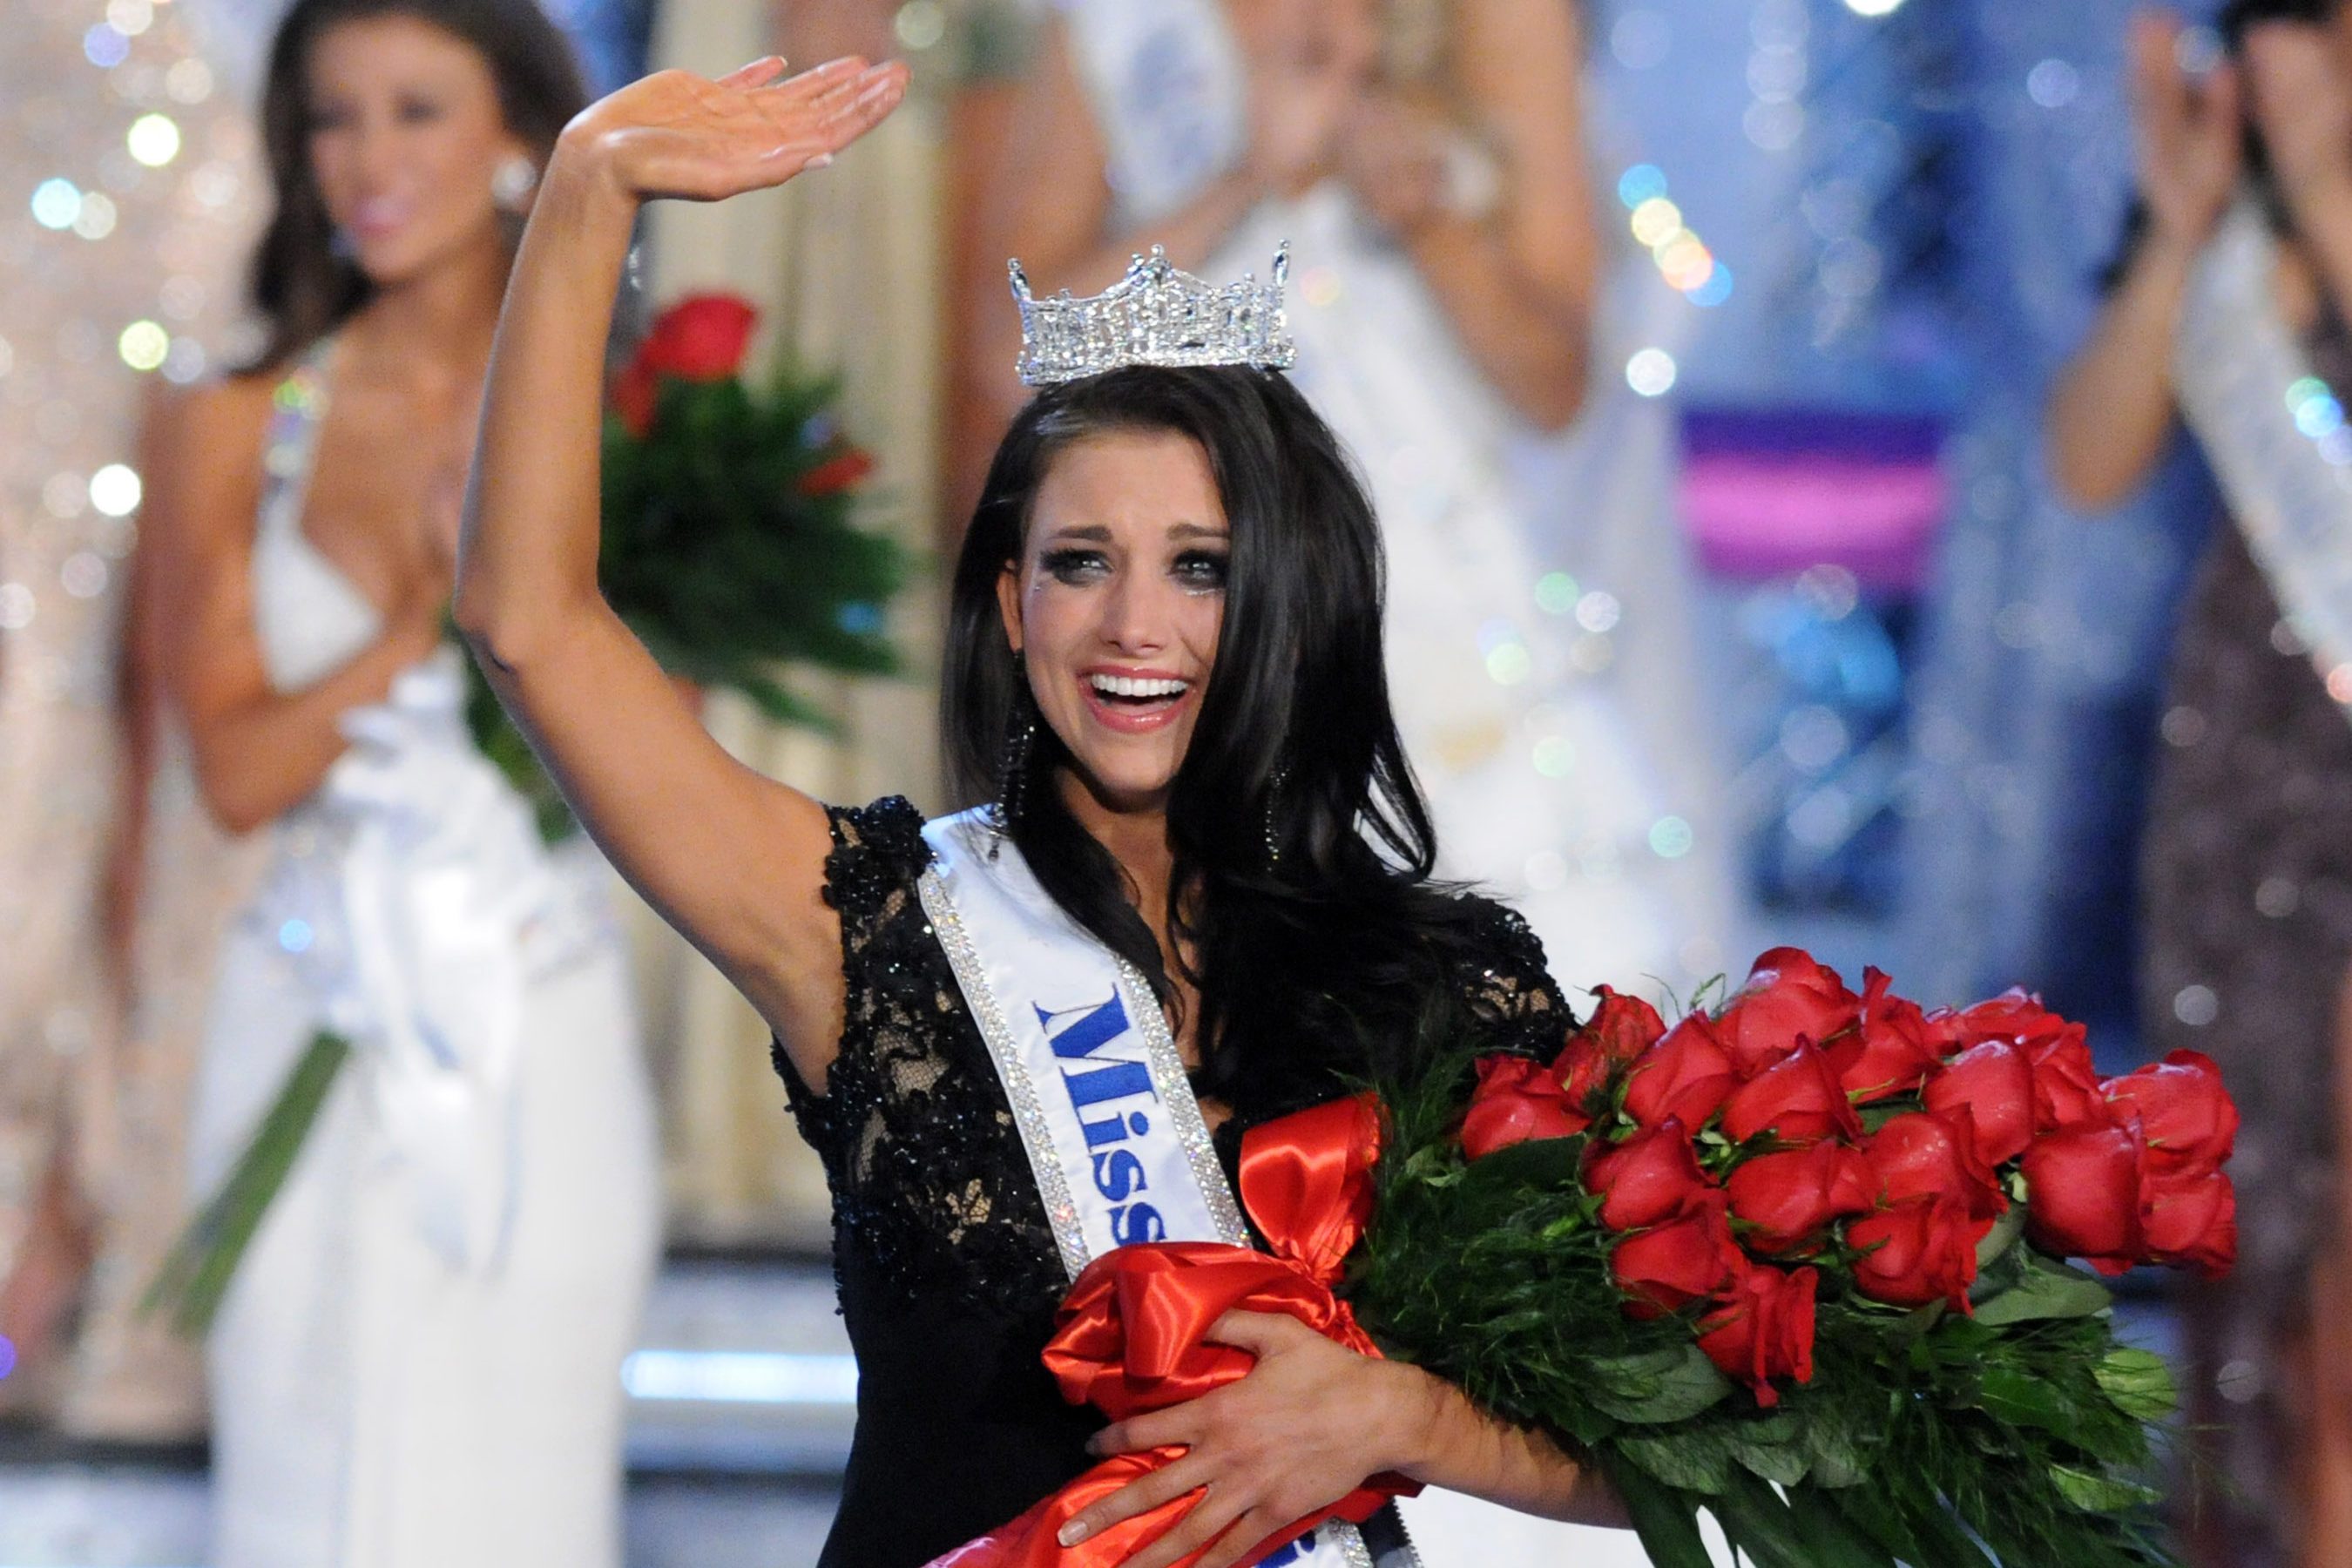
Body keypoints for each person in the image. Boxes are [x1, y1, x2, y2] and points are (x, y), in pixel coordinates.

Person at [457, 51, 1629, 1568]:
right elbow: (531, 627)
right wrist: (586, 186)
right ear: (1014, 607)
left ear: (1291, 606)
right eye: (1083, 563)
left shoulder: (1448, 986)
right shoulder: (869, 928)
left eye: (1200, 568)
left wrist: (1399, 1417)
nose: (1133, 625)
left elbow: (1664, 1452)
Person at [148, 2, 659, 1562]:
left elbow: (669, 742)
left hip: (543, 1009)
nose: (367, 159)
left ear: (518, 138)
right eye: (333, 116)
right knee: (304, 1475)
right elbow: (236, 770)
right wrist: (434, 617)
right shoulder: (237, 419)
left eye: (415, 111)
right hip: (310, 1001)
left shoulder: (633, 413)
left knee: (527, 1479)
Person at [962, 0, 1734, 1008]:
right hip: (1231, 618)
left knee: (1557, 1009)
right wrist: (1244, 181)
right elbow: (1017, 351)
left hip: (1472, 619)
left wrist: (1424, 213)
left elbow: (1557, 386)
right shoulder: (1122, 25)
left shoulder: (1496, 19)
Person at [2046, 5, 2352, 1563]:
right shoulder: (2235, 196)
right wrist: (2183, 233)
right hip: (2253, 772)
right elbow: (2088, 458)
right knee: (2271, 1265)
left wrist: (2333, 194)